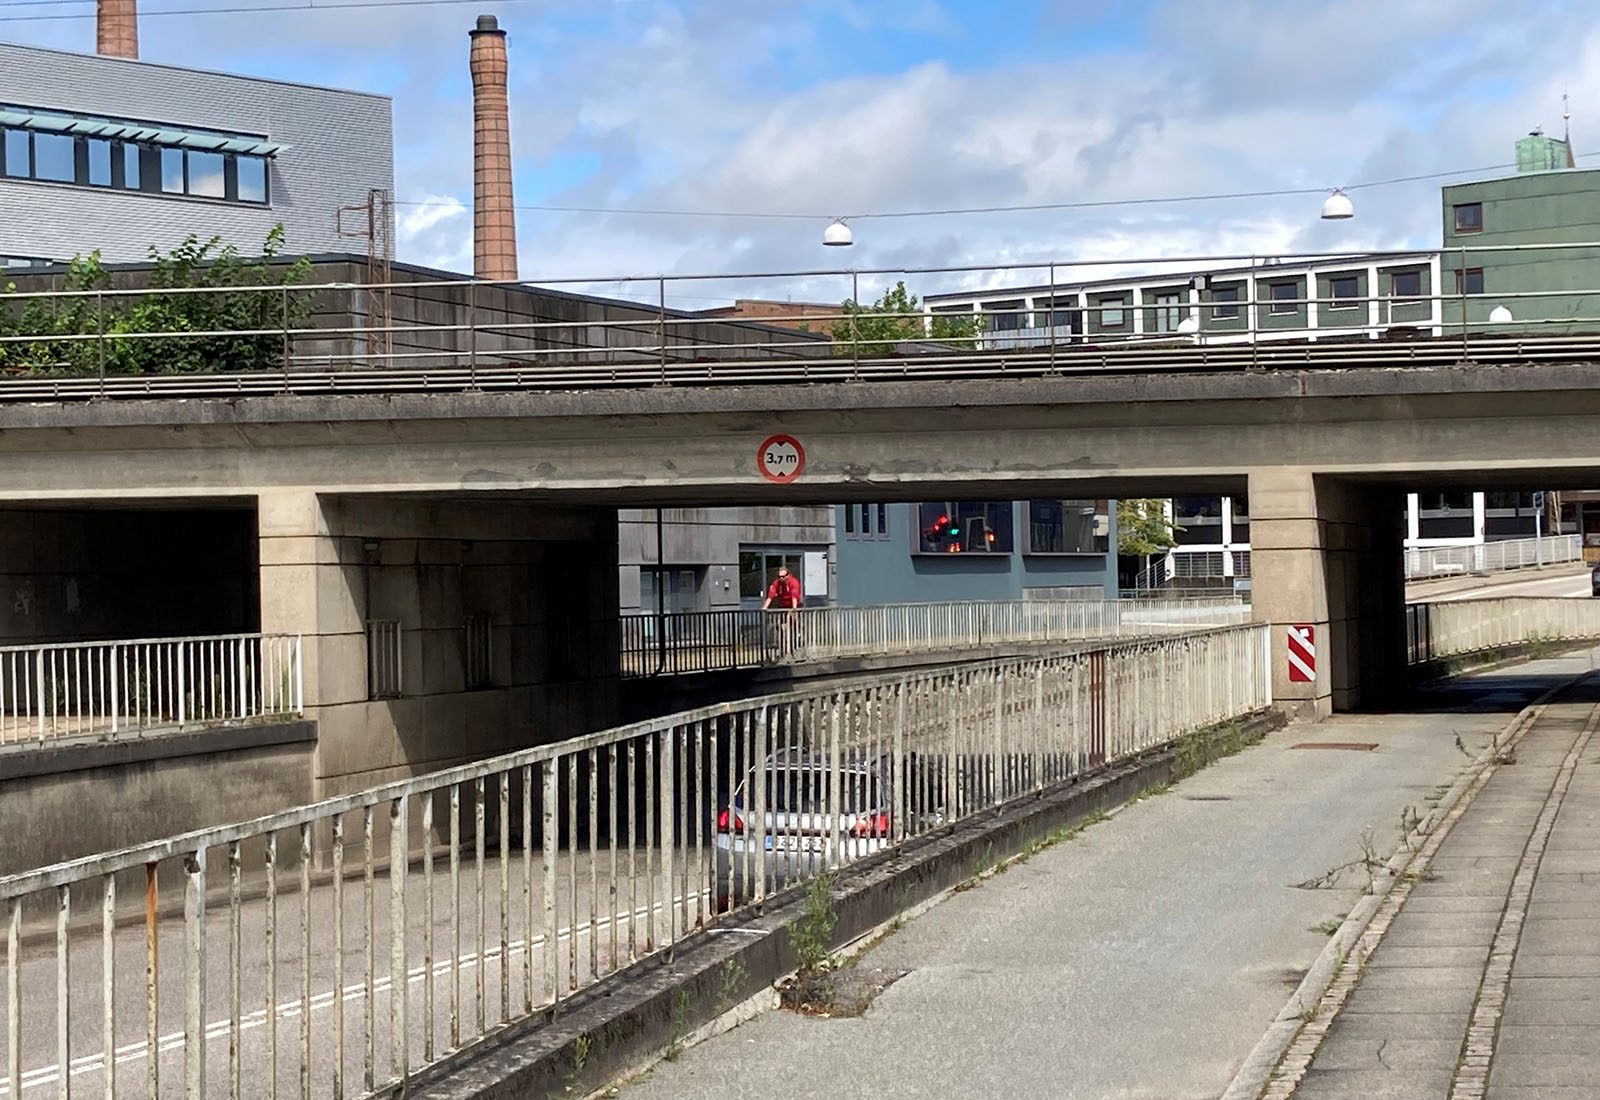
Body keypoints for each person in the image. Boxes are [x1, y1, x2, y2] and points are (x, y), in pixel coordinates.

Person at [761, 565, 803, 659]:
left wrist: (794, 611)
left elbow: (794, 597)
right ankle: (783, 649)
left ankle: (794, 648)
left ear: (788, 575)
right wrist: (764, 608)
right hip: (783, 606)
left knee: (793, 628)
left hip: (793, 605)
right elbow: (770, 597)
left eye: (783, 576)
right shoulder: (777, 583)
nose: (781, 578)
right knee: (782, 628)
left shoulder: (793, 582)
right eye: (779, 577)